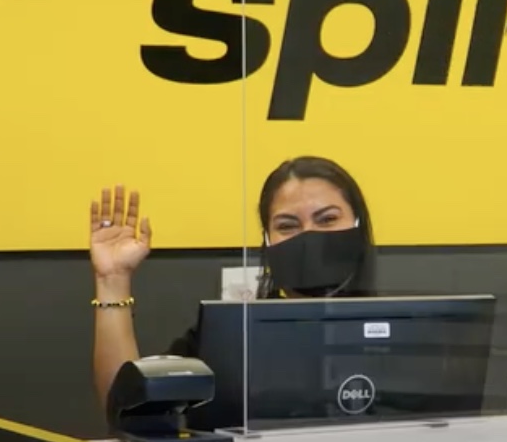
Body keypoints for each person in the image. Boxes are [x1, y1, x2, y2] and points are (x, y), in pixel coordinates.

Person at [89, 156, 377, 404]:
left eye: (327, 219)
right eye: (287, 225)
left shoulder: (406, 328)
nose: (307, 236)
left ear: (356, 225)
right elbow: (126, 405)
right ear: (267, 239)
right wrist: (112, 279)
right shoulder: (230, 336)